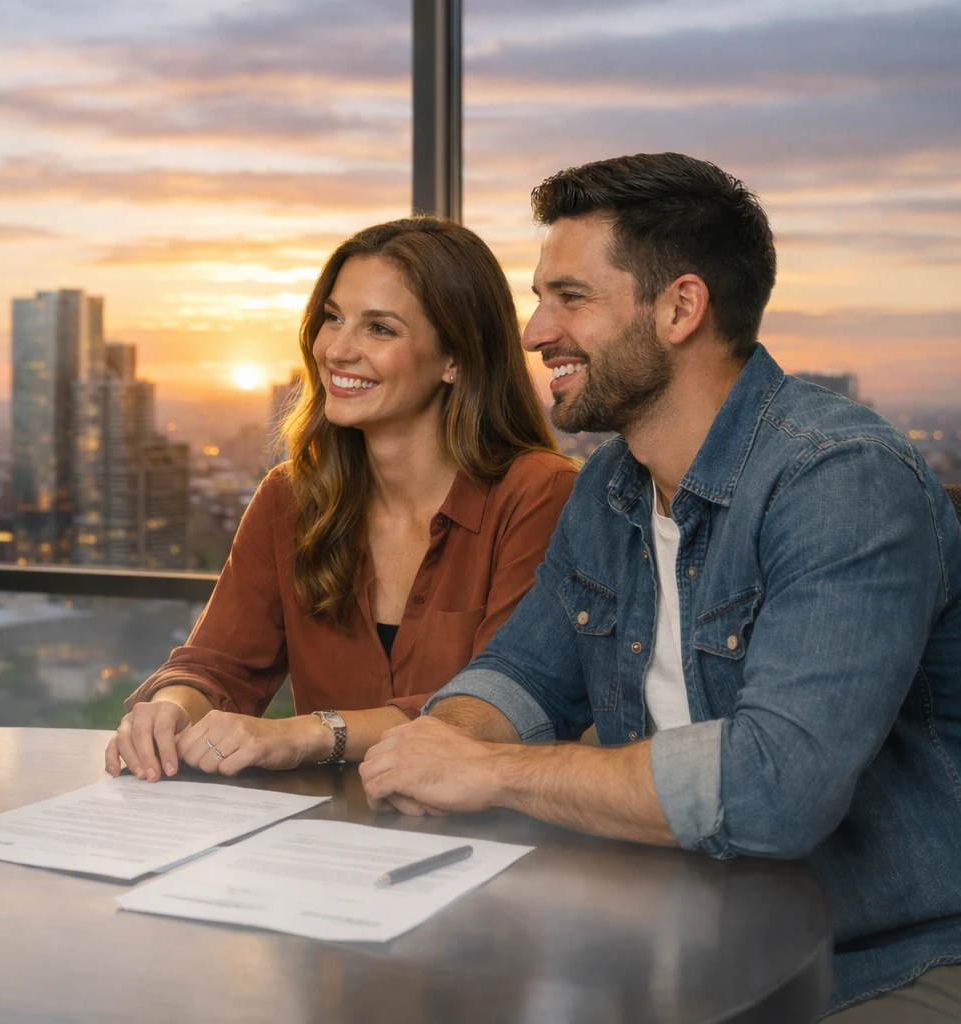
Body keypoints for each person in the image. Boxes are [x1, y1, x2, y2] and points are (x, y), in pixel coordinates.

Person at [358, 153, 961, 1018]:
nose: (534, 332)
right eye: (539, 300)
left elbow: (777, 788)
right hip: (675, 934)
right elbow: (525, 674)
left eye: (570, 298)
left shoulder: (842, 480)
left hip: (876, 962)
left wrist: (488, 770)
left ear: (680, 307)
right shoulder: (610, 489)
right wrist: (438, 746)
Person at [105, 217, 577, 782]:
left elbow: (499, 709)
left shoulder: (539, 494)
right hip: (329, 841)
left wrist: (304, 734)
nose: (338, 349)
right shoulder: (290, 496)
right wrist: (171, 709)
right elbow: (217, 665)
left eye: (380, 328)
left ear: (455, 358)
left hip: (491, 839)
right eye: (333, 318)